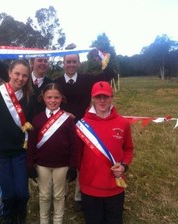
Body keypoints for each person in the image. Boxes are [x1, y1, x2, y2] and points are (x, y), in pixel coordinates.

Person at [54, 44, 114, 211]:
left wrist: (99, 57)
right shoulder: (57, 82)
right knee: (64, 160)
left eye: (74, 61)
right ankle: (62, 193)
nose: (71, 65)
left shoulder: (88, 79)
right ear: (63, 63)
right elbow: (48, 100)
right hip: (62, 127)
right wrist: (63, 112)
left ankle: (80, 197)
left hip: (85, 128)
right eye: (68, 62)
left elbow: (110, 74)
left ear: (79, 63)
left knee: (83, 161)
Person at [0, 59, 35, 224]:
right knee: (8, 193)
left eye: (25, 75)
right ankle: (5, 216)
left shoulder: (29, 97)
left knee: (22, 192)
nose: (20, 78)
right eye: (17, 73)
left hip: (20, 152)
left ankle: (20, 216)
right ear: (9, 73)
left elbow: (34, 122)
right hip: (0, 154)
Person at [76, 81, 134, 224]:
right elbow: (78, 155)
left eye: (106, 97)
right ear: (92, 98)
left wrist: (124, 166)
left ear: (111, 97)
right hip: (90, 189)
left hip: (115, 187)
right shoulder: (82, 125)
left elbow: (128, 149)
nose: (102, 100)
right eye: (98, 97)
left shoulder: (123, 123)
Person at [27, 83, 78, 224]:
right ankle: (44, 221)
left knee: (59, 196)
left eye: (56, 97)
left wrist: (73, 166)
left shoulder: (67, 120)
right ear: (43, 98)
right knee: (44, 195)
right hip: (42, 165)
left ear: (62, 98)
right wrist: (30, 164)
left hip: (62, 165)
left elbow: (74, 144)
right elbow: (31, 144)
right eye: (49, 97)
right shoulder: (37, 119)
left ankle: (58, 221)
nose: (53, 100)